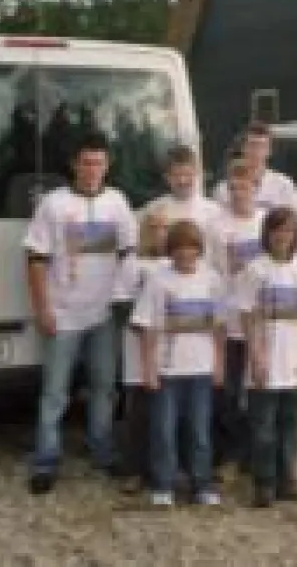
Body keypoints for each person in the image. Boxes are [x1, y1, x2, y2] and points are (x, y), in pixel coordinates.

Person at [24, 131, 137, 495]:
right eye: (86, 162)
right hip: (63, 313)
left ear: (107, 166)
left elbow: (130, 255)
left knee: (104, 388)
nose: (92, 169)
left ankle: (102, 452)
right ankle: (45, 461)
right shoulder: (53, 205)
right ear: (75, 165)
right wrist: (42, 308)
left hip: (103, 314)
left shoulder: (117, 203)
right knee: (55, 392)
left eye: (99, 163)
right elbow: (36, 260)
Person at [134, 219, 226, 507]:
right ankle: (164, 483)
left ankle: (202, 483)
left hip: (201, 369)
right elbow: (148, 327)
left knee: (199, 430)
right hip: (167, 370)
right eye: (179, 248)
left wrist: (219, 364)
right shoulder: (159, 281)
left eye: (191, 248)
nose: (186, 254)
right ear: (171, 251)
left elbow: (219, 327)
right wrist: (148, 368)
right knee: (164, 429)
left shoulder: (212, 280)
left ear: (199, 249)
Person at [240, 207, 297, 507]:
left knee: (290, 423)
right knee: (263, 427)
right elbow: (248, 316)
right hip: (266, 361)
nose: (282, 236)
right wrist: (256, 355)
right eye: (277, 230)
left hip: (295, 360)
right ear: (268, 233)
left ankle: (286, 479)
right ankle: (263, 482)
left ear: (295, 235)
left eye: (289, 230)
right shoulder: (255, 270)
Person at [206, 160, 265, 472]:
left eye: (246, 187)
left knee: (258, 388)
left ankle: (256, 452)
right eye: (234, 188)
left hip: (262, 323)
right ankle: (229, 453)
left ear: (256, 187)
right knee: (228, 392)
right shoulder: (217, 226)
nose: (240, 193)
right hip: (228, 322)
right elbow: (212, 274)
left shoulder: (266, 222)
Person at [111, 207, 171, 494]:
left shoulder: (178, 262)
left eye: (165, 227)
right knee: (138, 413)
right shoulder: (134, 263)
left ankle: (164, 469)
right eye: (155, 226)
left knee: (168, 414)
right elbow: (120, 303)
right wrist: (142, 327)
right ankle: (134, 470)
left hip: (173, 353)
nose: (160, 232)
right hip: (138, 349)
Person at [214, 121, 296, 211]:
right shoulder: (223, 189)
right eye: (252, 145)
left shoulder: (283, 185)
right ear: (243, 148)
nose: (256, 151)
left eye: (262, 146)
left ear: (269, 151)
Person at [147, 144, 221, 231]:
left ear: (198, 173)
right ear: (167, 177)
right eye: (176, 175)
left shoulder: (214, 212)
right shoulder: (154, 210)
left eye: (187, 175)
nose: (182, 181)